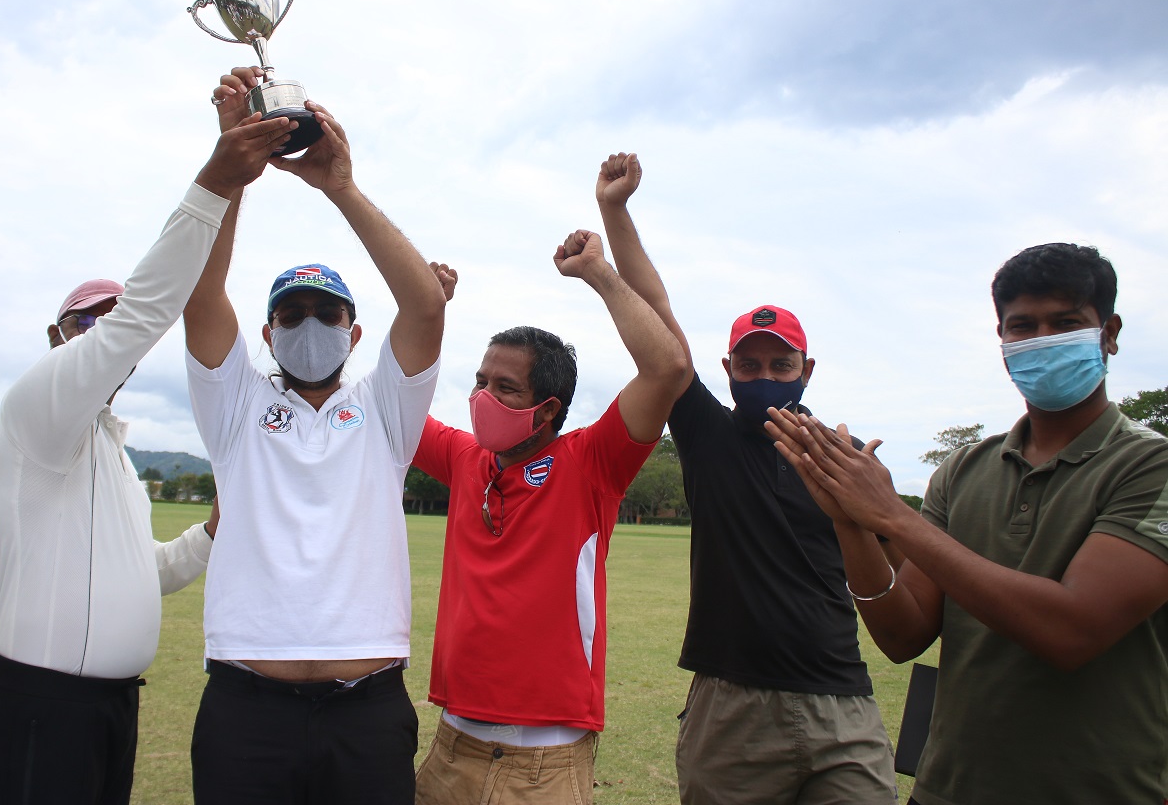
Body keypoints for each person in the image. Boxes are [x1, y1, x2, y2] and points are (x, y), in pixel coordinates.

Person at [0, 106, 295, 805]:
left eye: (110, 319)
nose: (104, 333)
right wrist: (217, 182)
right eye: (88, 321)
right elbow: (146, 312)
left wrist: (209, 533)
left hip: (108, 710)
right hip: (39, 708)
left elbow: (144, 574)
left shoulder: (111, 447)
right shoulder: (39, 408)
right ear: (58, 336)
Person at [766, 242, 1168, 805]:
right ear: (1001, 340)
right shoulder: (963, 470)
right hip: (947, 787)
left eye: (1066, 323)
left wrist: (891, 516)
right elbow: (903, 636)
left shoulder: (1151, 465)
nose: (1041, 340)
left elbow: (1072, 632)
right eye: (1022, 326)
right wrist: (851, 522)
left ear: (1110, 332)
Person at [595, 152, 896, 804]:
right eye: (748, 365)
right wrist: (615, 211)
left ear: (807, 368)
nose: (764, 379)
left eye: (780, 365)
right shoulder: (708, 436)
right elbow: (657, 314)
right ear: (727, 368)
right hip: (728, 711)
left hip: (842, 706)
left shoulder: (849, 460)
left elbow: (896, 587)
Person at [183, 66, 447, 805]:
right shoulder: (234, 407)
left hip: (366, 709)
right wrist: (229, 167)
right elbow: (201, 295)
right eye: (290, 316)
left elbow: (424, 306)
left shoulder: (384, 415)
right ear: (266, 334)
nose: (307, 327)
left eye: (324, 315)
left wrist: (341, 188)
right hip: (246, 707)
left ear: (353, 331)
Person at [410, 157, 689, 805]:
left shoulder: (591, 461)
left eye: (504, 387)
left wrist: (599, 273)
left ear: (548, 411)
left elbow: (668, 367)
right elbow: (381, 405)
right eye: (479, 381)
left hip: (547, 768)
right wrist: (421, 310)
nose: (482, 397)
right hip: (449, 750)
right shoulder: (463, 458)